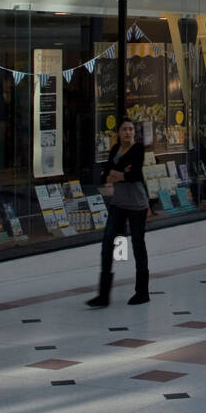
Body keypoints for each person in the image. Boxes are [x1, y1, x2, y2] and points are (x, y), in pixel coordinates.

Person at [87, 117, 152, 308]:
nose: (128, 132)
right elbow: (105, 174)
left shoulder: (138, 149)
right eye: (124, 129)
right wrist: (119, 173)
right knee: (108, 243)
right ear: (118, 132)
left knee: (138, 245)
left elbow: (133, 174)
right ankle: (103, 295)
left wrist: (118, 174)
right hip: (119, 203)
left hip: (137, 204)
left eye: (131, 129)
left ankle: (142, 292)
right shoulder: (115, 149)